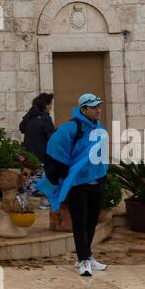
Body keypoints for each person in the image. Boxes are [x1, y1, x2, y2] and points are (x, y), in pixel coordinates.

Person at [39, 92, 110, 277]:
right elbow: (55, 148)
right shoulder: (71, 128)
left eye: (98, 106)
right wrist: (61, 173)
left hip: (96, 182)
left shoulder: (98, 127)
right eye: (94, 107)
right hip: (79, 184)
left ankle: (86, 256)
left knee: (92, 221)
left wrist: (104, 175)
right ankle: (84, 260)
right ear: (83, 109)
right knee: (80, 223)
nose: (98, 110)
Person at [19, 92, 56, 209]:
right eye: (50, 104)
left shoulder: (30, 116)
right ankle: (24, 194)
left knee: (28, 176)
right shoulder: (45, 118)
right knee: (45, 178)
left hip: (27, 154)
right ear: (46, 104)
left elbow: (22, 128)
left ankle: (41, 200)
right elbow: (52, 137)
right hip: (42, 154)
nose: (51, 106)